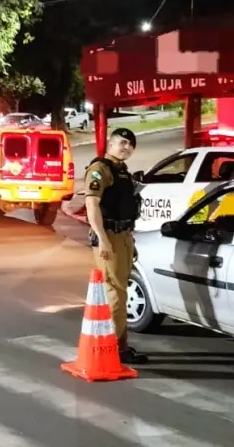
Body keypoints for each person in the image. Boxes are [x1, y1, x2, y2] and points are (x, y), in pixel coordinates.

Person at [85, 128, 148, 364]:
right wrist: (103, 239)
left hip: (122, 235)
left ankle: (120, 345)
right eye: (122, 143)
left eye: (131, 144)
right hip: (109, 235)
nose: (127, 147)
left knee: (120, 291)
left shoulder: (121, 171)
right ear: (110, 144)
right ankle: (114, 349)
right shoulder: (100, 169)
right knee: (115, 292)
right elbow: (92, 205)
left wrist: (128, 240)